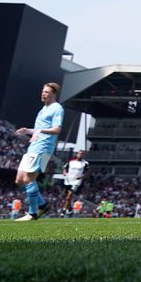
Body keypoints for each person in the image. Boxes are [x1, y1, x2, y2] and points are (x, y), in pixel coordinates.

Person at [14, 82, 64, 221]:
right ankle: (43, 205)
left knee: (29, 178)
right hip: (34, 145)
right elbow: (39, 129)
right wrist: (27, 131)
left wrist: (40, 131)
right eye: (43, 91)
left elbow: (57, 129)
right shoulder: (43, 109)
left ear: (54, 94)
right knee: (19, 180)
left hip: (44, 147)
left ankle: (33, 213)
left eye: (47, 92)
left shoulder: (57, 108)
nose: (43, 94)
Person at [60, 150, 89, 217]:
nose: (80, 155)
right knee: (68, 198)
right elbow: (65, 168)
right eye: (79, 153)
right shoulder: (71, 161)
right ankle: (70, 209)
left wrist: (82, 176)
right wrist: (64, 172)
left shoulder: (85, 163)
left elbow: (87, 172)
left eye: (82, 154)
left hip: (76, 182)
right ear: (77, 154)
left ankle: (63, 211)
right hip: (68, 180)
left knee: (69, 196)